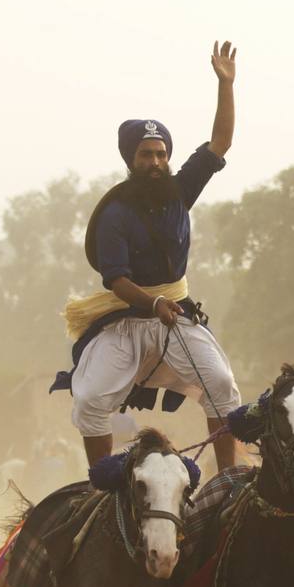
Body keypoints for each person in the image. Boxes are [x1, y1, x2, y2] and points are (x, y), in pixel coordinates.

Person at [54, 42, 242, 469]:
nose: (155, 161)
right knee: (89, 401)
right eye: (146, 155)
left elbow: (221, 141)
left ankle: (230, 479)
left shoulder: (180, 190)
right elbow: (116, 281)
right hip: (124, 322)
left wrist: (226, 84)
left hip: (176, 316)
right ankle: (100, 483)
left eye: (161, 154)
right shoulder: (115, 214)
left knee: (222, 385)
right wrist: (153, 302)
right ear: (130, 159)